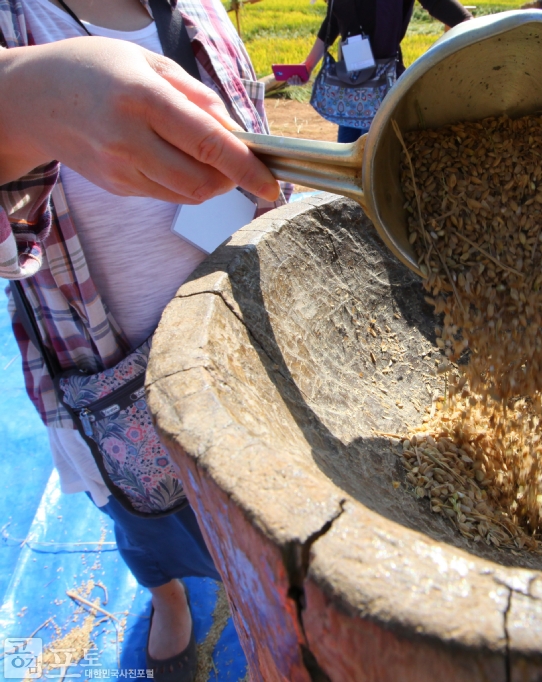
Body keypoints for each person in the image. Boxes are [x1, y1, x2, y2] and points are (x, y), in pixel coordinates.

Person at [0, 0, 281, 678]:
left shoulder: (199, 9)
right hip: (110, 380)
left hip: (240, 345)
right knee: (145, 520)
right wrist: (20, 103)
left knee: (249, 510)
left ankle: (256, 597)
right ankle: (168, 601)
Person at [299, 0, 472, 142]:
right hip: (350, 85)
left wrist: (478, 31)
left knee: (371, 154)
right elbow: (334, 19)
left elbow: (443, 7)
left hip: (384, 81)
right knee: (348, 156)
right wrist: (308, 64)